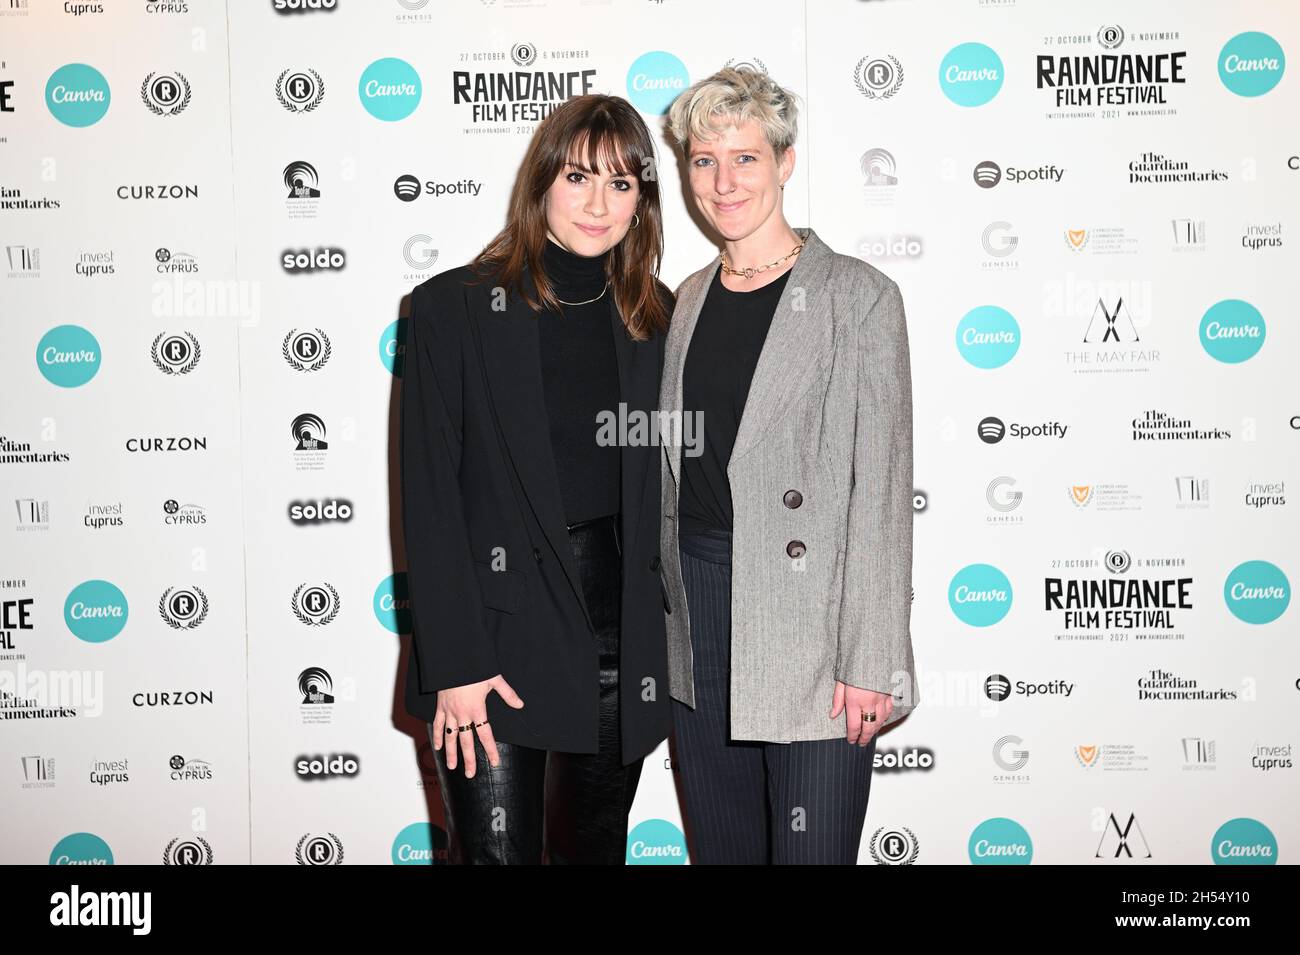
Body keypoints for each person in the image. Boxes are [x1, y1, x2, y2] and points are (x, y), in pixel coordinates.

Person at [398, 93, 674, 864]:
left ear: (642, 204)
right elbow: (430, 496)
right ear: (542, 183)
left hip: (620, 634)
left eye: (621, 184)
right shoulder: (454, 308)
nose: (598, 203)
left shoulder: (655, 319)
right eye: (579, 177)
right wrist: (455, 661)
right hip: (493, 633)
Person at [659, 66, 918, 864]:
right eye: (704, 161)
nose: (724, 181)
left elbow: (878, 491)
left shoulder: (858, 296)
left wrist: (872, 659)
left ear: (785, 162)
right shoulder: (687, 298)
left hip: (813, 625)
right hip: (699, 622)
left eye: (744, 157)